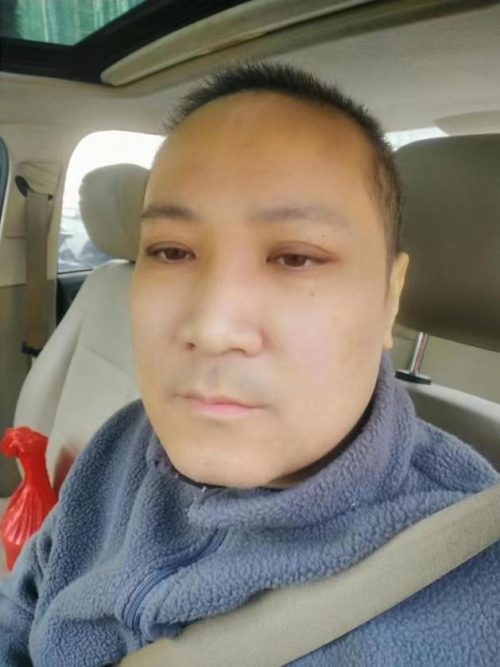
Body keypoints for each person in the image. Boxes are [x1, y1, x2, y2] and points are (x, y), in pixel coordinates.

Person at [1, 62, 499, 666]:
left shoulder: (475, 583)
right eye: (171, 251)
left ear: (390, 295)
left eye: (295, 258)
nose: (211, 329)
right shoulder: (123, 444)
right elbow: (21, 613)